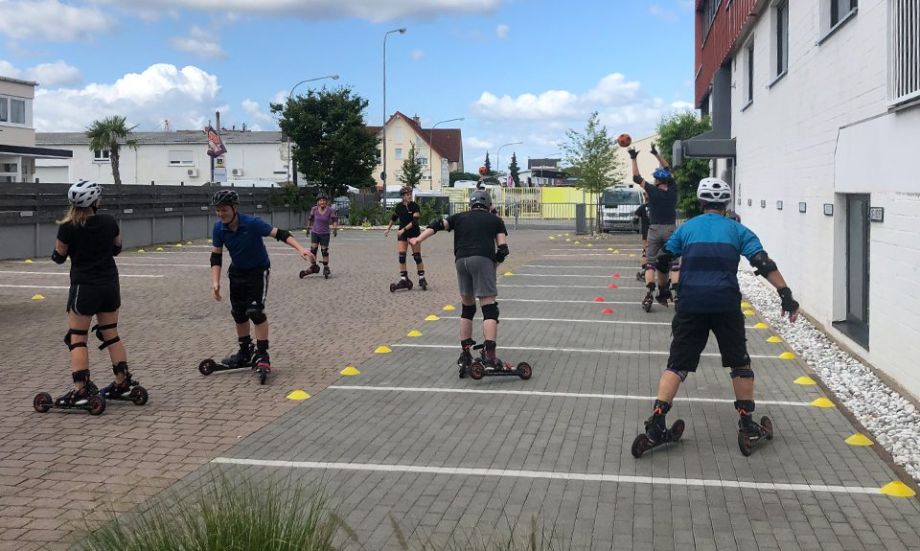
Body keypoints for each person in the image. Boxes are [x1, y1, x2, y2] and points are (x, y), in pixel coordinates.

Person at [639, 177, 800, 448]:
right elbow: (762, 262)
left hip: (690, 304)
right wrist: (786, 295)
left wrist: (664, 291)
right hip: (726, 305)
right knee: (739, 363)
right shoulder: (737, 230)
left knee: (677, 364)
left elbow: (663, 260)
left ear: (701, 203)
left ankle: (656, 422)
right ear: (725, 204)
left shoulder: (687, 228)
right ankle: (747, 423)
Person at [51, 180, 136, 407]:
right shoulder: (109, 222)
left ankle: (81, 389)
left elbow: (58, 256)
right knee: (110, 333)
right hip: (109, 284)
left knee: (77, 337)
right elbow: (117, 248)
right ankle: (123, 381)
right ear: (95, 202)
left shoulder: (68, 226)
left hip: (84, 287)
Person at [210, 189, 314, 373]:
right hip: (236, 273)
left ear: (235, 208)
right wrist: (215, 282)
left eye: (224, 209)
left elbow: (281, 233)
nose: (220, 214)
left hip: (258, 271)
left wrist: (300, 249)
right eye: (217, 210)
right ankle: (244, 352)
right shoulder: (219, 228)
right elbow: (216, 257)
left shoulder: (252, 224)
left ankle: (263, 353)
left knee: (255, 311)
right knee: (239, 313)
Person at [409, 190, 509, 374]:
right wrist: (495, 264)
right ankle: (490, 356)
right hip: (482, 259)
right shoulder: (495, 220)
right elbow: (503, 249)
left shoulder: (460, 217)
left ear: (470, 204)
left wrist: (418, 239)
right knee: (489, 308)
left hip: (461, 260)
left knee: (467, 307)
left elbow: (437, 224)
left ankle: (465, 354)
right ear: (488, 204)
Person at [629, 142, 679, 309]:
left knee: (651, 262)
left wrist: (633, 158)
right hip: (671, 229)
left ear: (657, 181)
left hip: (655, 230)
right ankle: (676, 292)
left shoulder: (652, 191)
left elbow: (636, 177)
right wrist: (656, 154)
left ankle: (650, 293)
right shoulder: (673, 190)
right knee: (674, 262)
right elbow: (668, 168)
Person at [384, 186, 427, 290]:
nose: (409, 196)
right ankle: (404, 279)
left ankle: (422, 278)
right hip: (402, 235)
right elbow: (394, 218)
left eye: (410, 194)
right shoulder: (399, 207)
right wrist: (388, 229)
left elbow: (415, 221)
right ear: (403, 196)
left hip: (414, 233)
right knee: (402, 257)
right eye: (407, 195)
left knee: (417, 257)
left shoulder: (415, 206)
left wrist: (403, 229)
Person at [303, 192, 338, 278]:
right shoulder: (314, 209)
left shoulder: (330, 210)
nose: (322, 202)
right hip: (315, 232)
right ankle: (314, 265)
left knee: (324, 251)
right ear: (317, 202)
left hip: (325, 234)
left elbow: (334, 220)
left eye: (324, 200)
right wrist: (308, 228)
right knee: (313, 250)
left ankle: (326, 267)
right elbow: (310, 219)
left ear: (327, 202)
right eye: (320, 201)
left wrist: (335, 229)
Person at [633, 195, 650, 281]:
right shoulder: (657, 206)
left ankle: (644, 273)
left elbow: (635, 219)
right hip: (656, 232)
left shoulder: (642, 207)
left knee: (645, 253)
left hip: (646, 234)